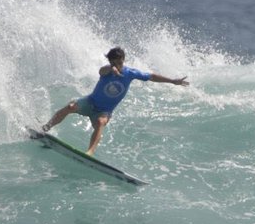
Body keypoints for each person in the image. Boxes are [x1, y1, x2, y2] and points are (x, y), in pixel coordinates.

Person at [42, 47, 190, 155]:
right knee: (70, 106)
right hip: (90, 102)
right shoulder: (105, 71)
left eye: (120, 62)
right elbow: (103, 71)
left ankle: (89, 153)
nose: (118, 65)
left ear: (123, 60)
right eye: (115, 62)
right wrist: (111, 69)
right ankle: (46, 128)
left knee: (100, 123)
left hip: (104, 111)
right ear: (110, 61)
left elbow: (151, 76)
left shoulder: (130, 73)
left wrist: (172, 81)